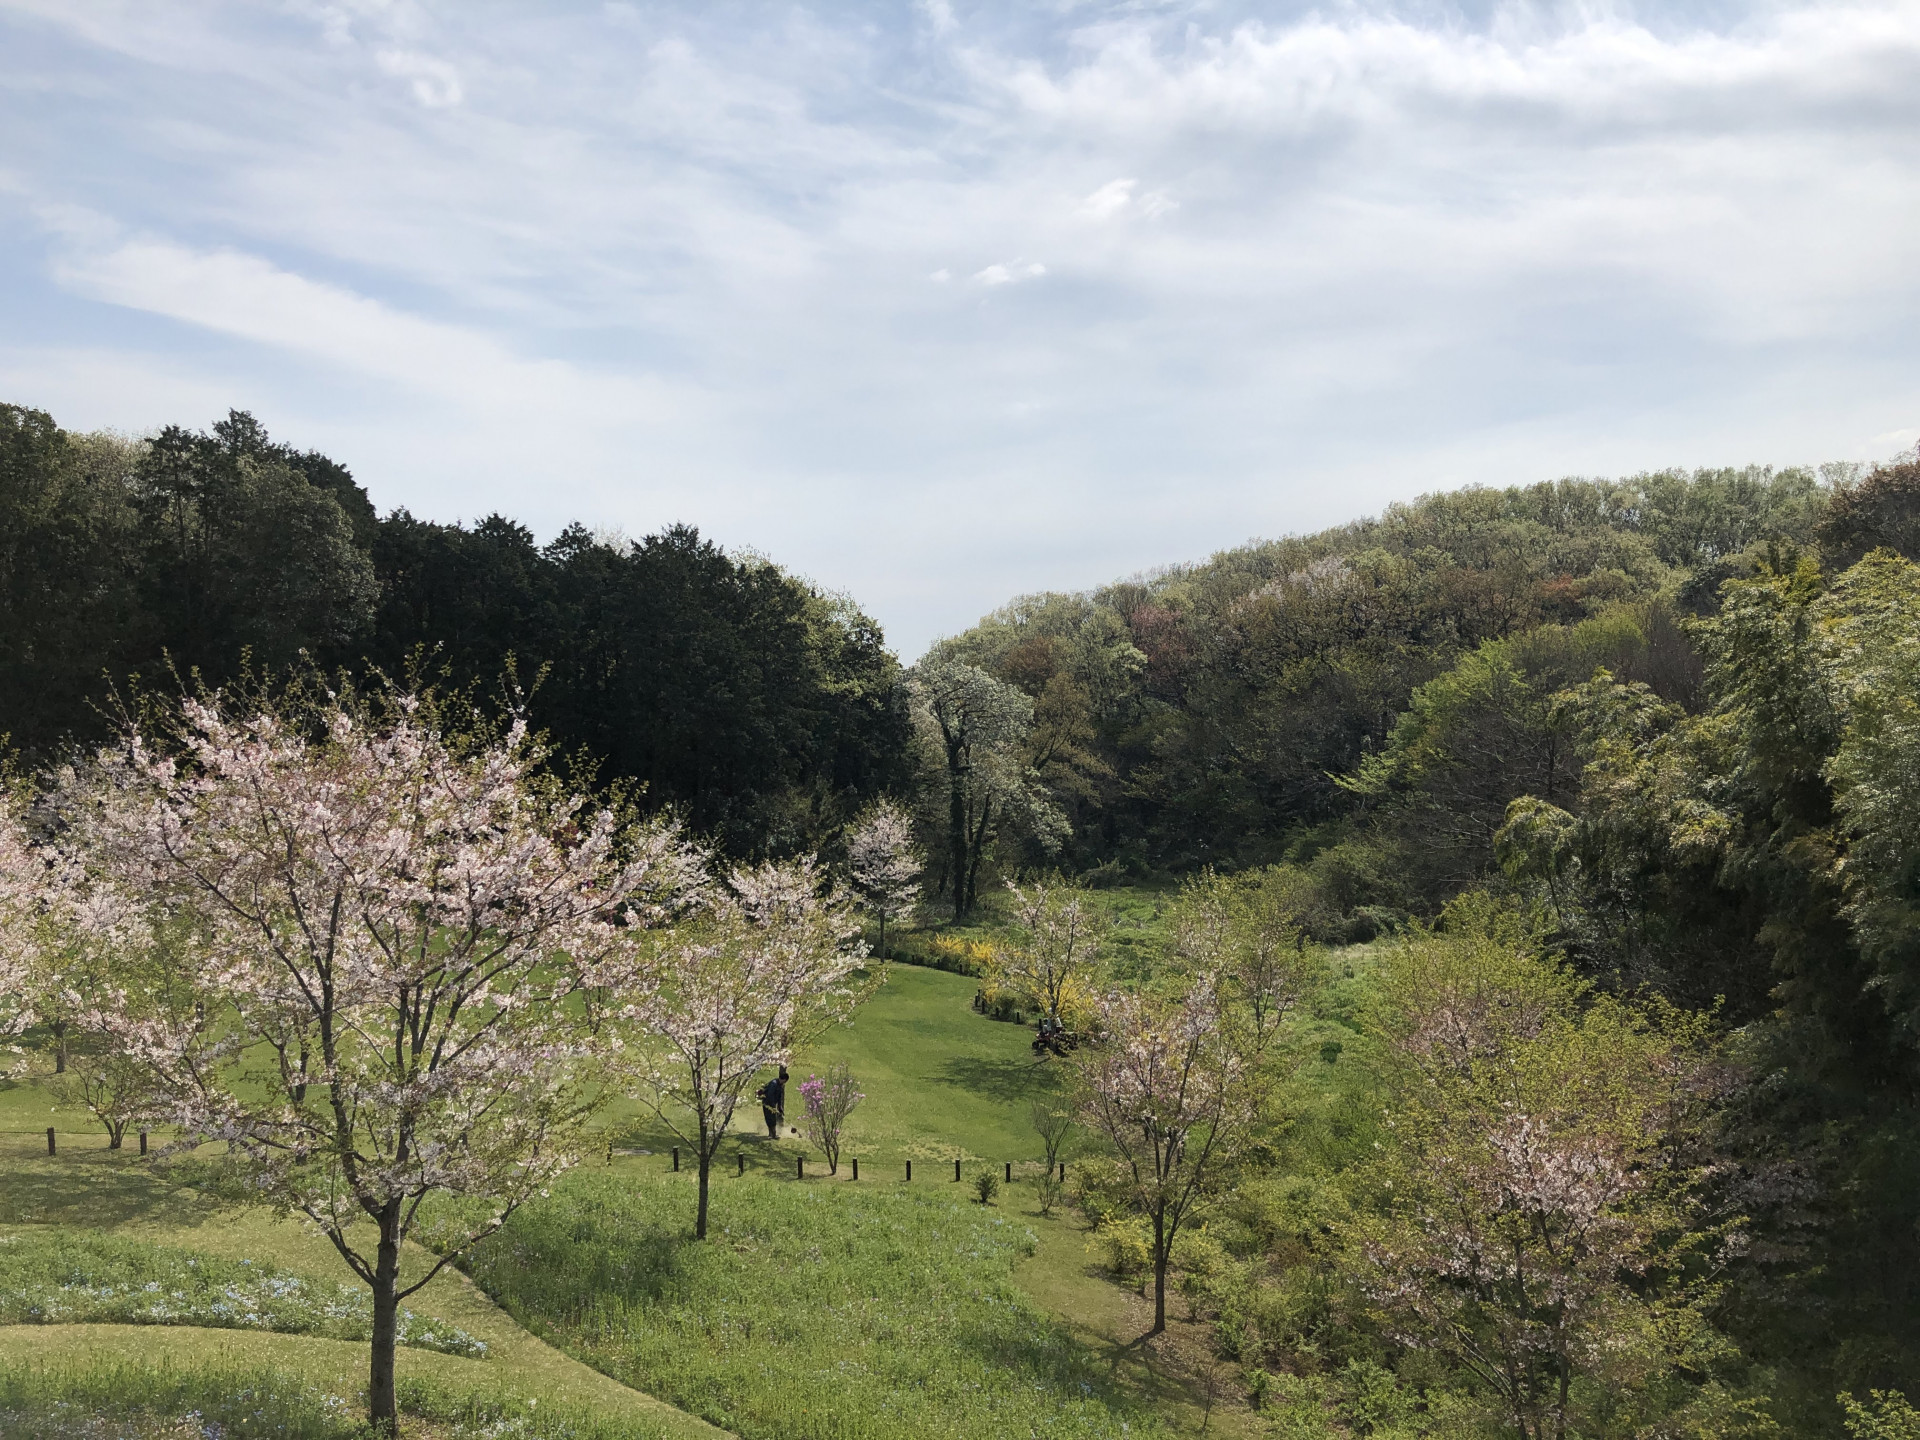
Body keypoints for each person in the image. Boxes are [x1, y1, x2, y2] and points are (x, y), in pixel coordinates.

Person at [756, 1066, 788, 1138]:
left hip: (772, 1104)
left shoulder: (780, 1086)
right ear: (784, 1079)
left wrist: (780, 1107)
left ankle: (773, 1134)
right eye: (785, 1081)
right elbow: (770, 1095)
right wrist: (773, 1105)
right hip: (767, 1103)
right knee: (769, 1118)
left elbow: (779, 1097)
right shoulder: (773, 1084)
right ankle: (771, 1134)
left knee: (773, 1119)